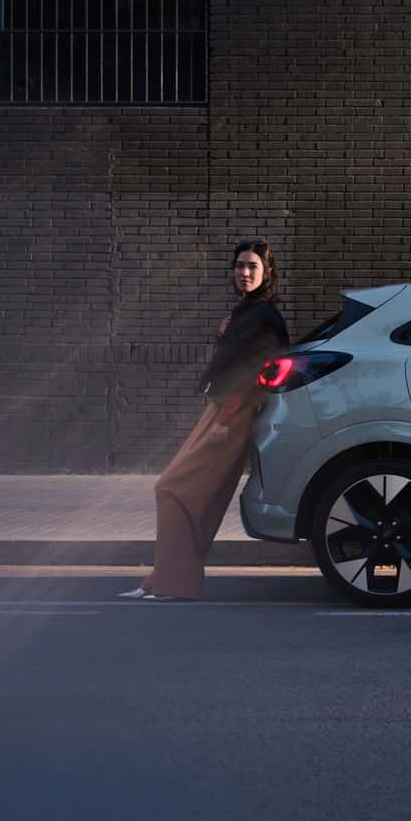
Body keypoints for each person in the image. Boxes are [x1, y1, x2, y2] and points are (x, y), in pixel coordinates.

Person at [120, 238, 289, 601]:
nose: (244, 273)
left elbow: (256, 372)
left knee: (173, 489)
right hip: (221, 409)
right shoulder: (248, 311)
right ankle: (162, 580)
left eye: (253, 267)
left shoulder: (264, 317)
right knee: (182, 495)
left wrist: (225, 422)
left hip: (232, 414)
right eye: (240, 266)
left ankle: (174, 583)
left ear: (267, 272)